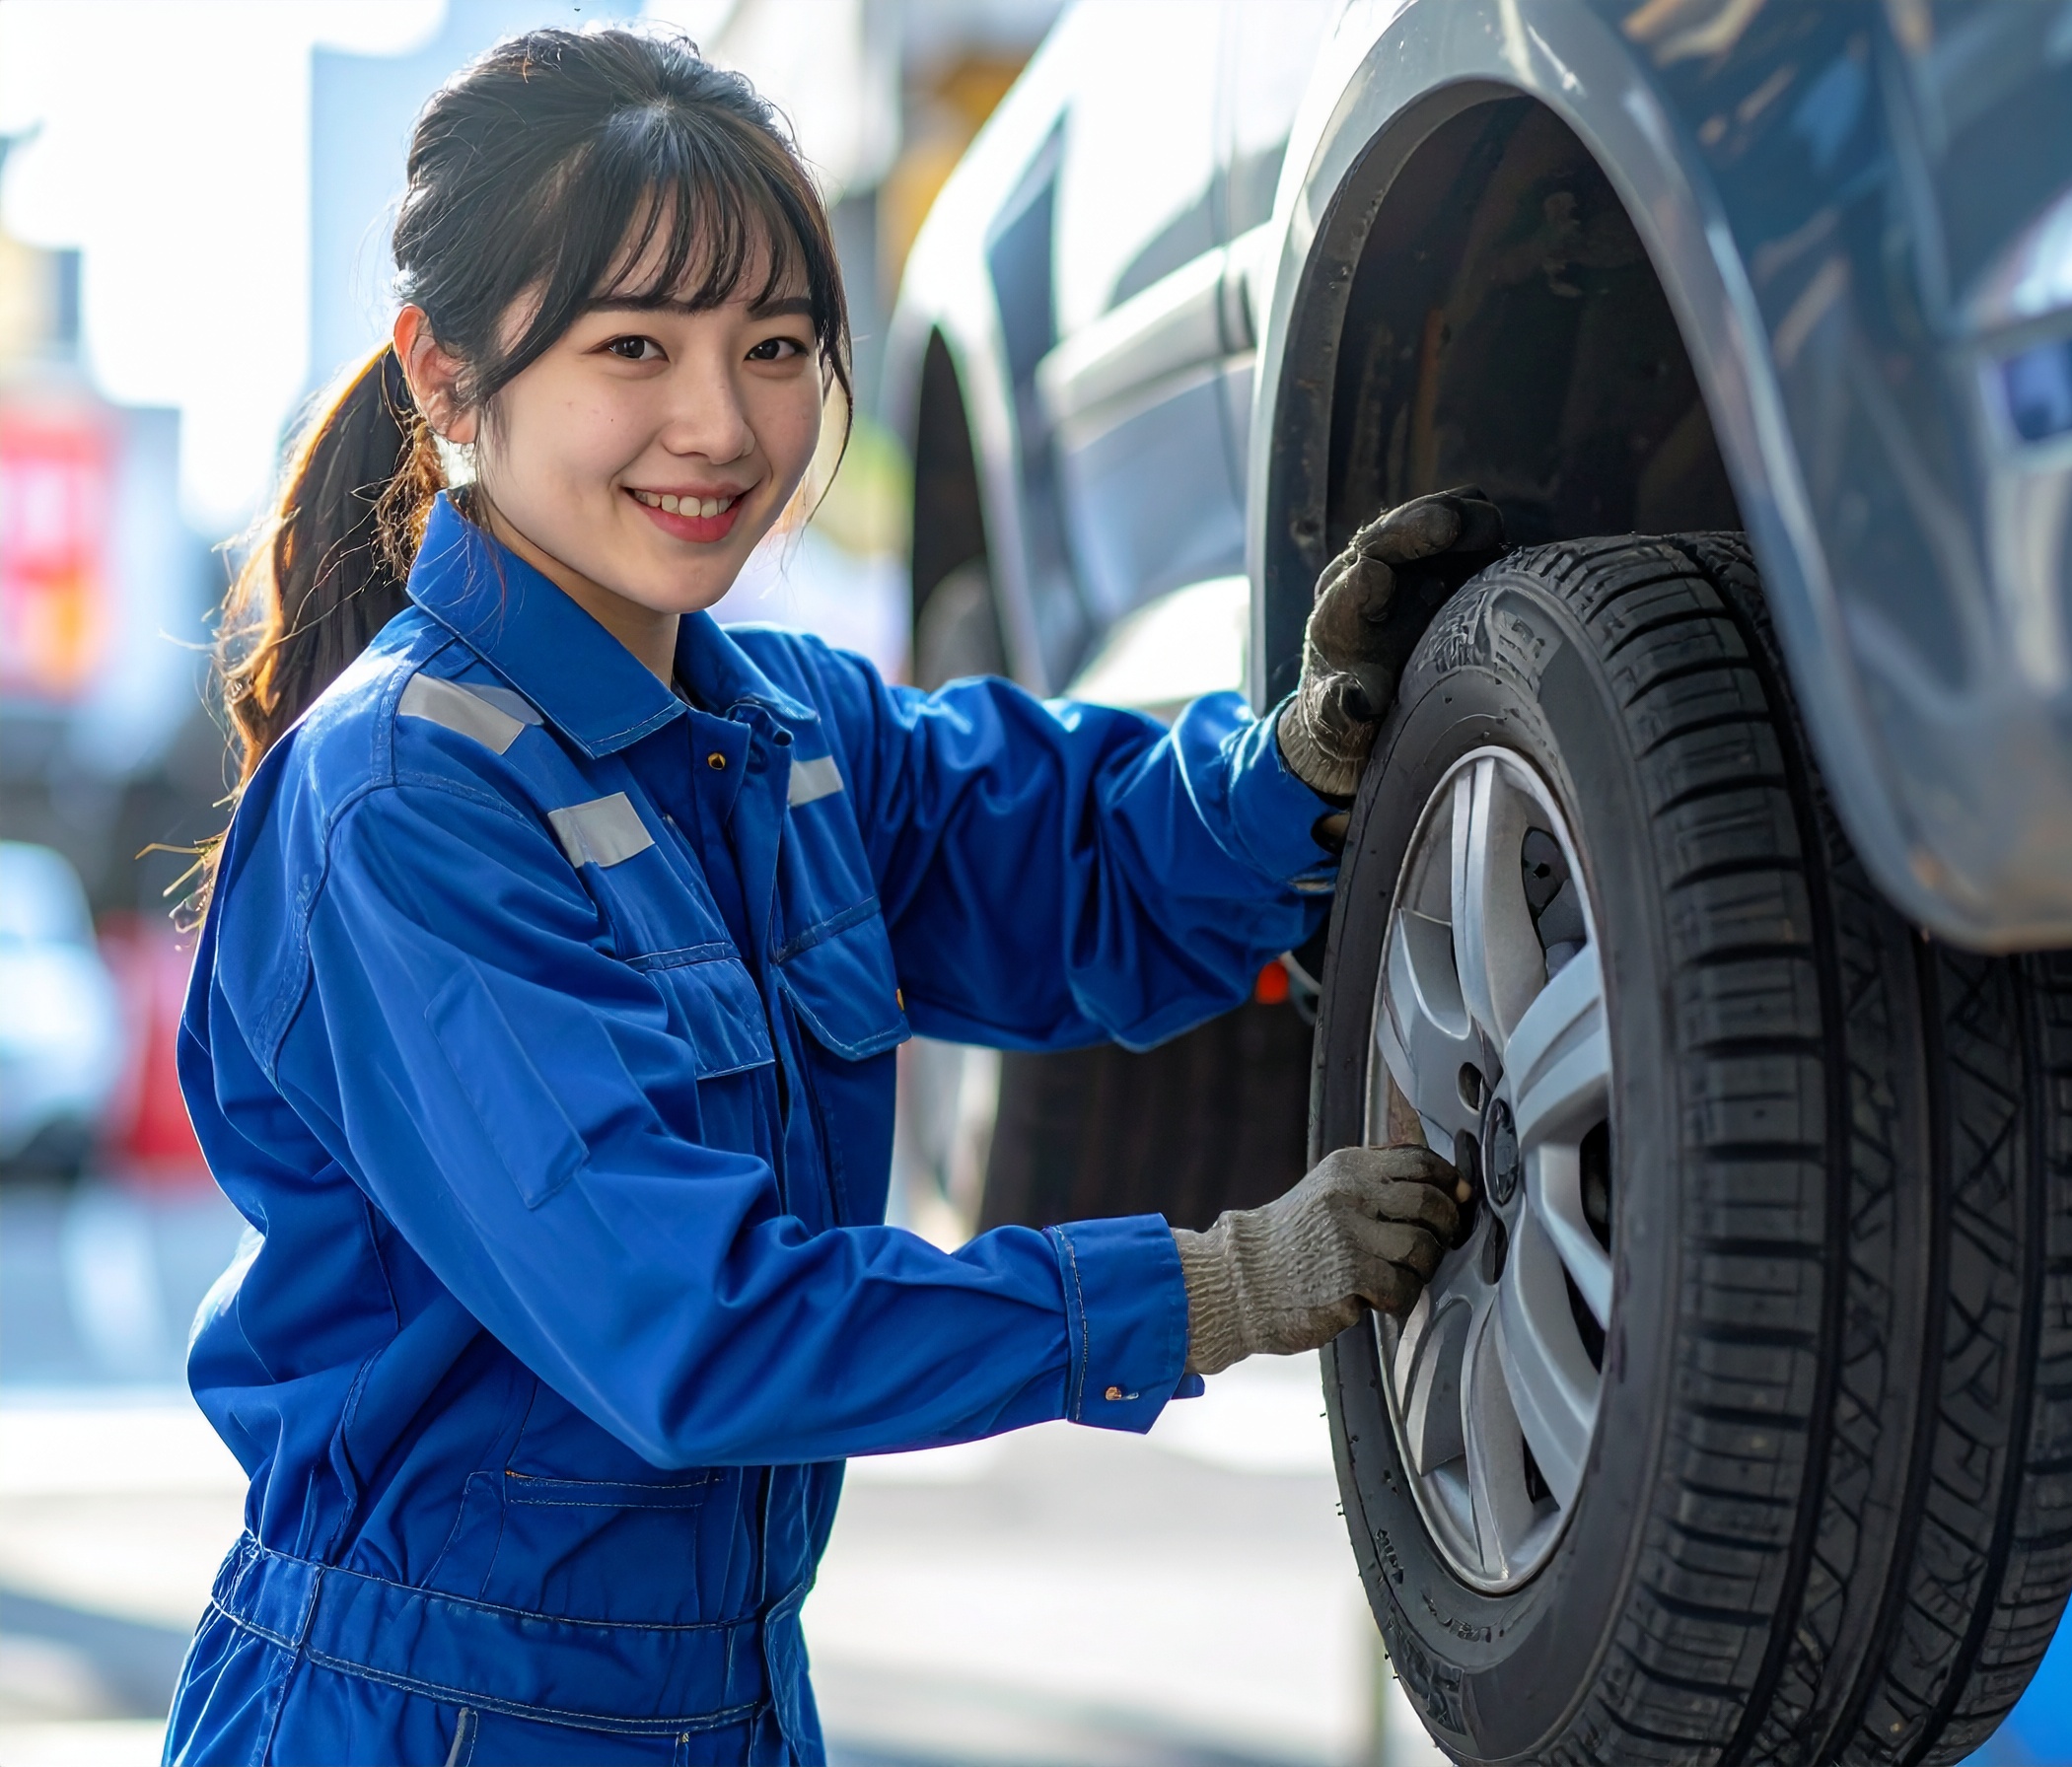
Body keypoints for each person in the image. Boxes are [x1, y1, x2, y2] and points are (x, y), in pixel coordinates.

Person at [164, 28, 1503, 1766]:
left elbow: (1085, 864)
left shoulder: (787, 735)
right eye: (633, 346)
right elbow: (693, 1326)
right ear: (447, 374)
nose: (722, 426)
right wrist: (1213, 1286)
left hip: (728, 1702)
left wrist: (1299, 764)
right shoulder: (410, 801)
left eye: (776, 347)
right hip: (415, 1718)